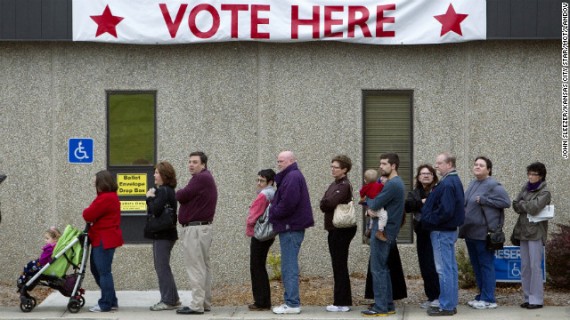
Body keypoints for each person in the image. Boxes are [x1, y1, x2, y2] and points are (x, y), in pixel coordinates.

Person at [459, 157, 511, 310]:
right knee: (476, 265)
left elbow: (506, 202)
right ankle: (481, 296)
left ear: (488, 169)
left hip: (483, 233)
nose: (477, 167)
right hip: (469, 232)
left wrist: (485, 200)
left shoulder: (494, 185)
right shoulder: (473, 183)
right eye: (475, 164)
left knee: (486, 265)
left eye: (481, 165)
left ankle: (489, 299)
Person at [269, 151, 314, 314]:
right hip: (291, 227)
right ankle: (291, 301)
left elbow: (288, 203)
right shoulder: (291, 176)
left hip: (290, 227)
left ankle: (292, 303)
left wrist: (272, 214)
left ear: (291, 161)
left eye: (281, 161)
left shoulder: (293, 177)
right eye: (278, 160)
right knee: (289, 265)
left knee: (289, 266)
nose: (278, 163)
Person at [361, 153, 405, 317]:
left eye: (384, 164)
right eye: (380, 164)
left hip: (383, 232)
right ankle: (387, 304)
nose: (380, 167)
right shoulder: (395, 183)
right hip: (387, 231)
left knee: (378, 269)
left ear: (393, 166)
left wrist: (369, 204)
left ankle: (380, 307)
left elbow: (374, 203)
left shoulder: (393, 184)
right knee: (383, 268)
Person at [421, 152, 465, 316]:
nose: (436, 166)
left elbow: (446, 211)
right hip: (447, 231)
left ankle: (446, 306)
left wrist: (429, 219)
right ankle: (450, 303)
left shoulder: (447, 183)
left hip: (442, 231)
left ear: (449, 164)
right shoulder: (452, 180)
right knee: (450, 268)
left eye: (439, 163)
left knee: (444, 269)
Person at [176, 151, 218, 315]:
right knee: (203, 267)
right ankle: (204, 302)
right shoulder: (205, 178)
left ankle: (196, 305)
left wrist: (178, 192)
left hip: (195, 229)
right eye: (189, 162)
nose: (191, 165)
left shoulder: (200, 178)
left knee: (195, 268)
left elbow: (182, 195)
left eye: (195, 162)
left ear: (203, 164)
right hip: (202, 228)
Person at [319, 155, 356, 312]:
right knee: (337, 265)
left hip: (342, 230)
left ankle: (342, 302)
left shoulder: (344, 185)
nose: (333, 169)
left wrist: (325, 202)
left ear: (345, 169)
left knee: (340, 265)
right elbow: (324, 202)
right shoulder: (334, 184)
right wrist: (324, 202)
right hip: (334, 229)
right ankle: (341, 301)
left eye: (336, 167)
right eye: (332, 166)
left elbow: (329, 203)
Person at [512, 162, 551, 310]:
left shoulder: (545, 192)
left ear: (540, 176)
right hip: (523, 232)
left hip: (536, 233)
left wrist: (524, 204)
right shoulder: (525, 188)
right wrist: (525, 205)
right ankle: (528, 297)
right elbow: (515, 204)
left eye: (533, 174)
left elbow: (534, 208)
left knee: (535, 266)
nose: (530, 176)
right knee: (525, 266)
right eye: (529, 173)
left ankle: (537, 300)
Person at [83, 170, 123, 312]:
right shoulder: (107, 197)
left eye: (95, 181)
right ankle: (111, 300)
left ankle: (105, 303)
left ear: (102, 182)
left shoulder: (105, 198)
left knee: (103, 271)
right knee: (97, 270)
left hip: (104, 239)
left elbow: (88, 214)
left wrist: (86, 210)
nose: (94, 183)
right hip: (103, 239)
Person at [144, 161, 180, 311]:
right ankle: (173, 298)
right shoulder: (168, 190)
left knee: (162, 267)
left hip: (163, 235)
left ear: (164, 175)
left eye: (157, 172)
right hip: (166, 234)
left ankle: (168, 300)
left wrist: (149, 197)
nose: (154, 175)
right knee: (163, 266)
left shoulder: (164, 191)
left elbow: (155, 210)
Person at [405, 164, 440, 309]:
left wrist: (425, 203)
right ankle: (431, 296)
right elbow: (407, 206)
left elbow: (441, 206)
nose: (426, 176)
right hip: (421, 232)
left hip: (436, 232)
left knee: (436, 265)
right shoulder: (414, 193)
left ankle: (439, 297)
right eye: (423, 173)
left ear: (433, 176)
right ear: (418, 177)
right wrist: (422, 202)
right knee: (425, 265)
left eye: (429, 173)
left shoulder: (438, 191)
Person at [245, 169, 276, 311]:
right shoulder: (273, 193)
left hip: (260, 235)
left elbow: (253, 215)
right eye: (257, 180)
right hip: (269, 234)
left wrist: (249, 227)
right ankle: (264, 300)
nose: (259, 183)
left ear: (270, 182)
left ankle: (261, 302)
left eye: (262, 180)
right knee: (260, 266)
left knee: (256, 267)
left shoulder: (264, 195)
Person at [360, 171, 388, 241]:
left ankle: (369, 229)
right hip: (377, 207)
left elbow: (361, 193)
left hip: (372, 208)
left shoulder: (365, 187)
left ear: (365, 180)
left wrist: (363, 197)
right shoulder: (379, 185)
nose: (382, 179)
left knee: (373, 218)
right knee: (383, 215)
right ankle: (380, 231)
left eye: (385, 177)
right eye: (381, 177)